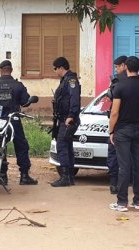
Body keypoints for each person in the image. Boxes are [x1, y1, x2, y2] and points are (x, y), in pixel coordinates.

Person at [109, 56, 139, 212]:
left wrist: (111, 130)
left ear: (126, 67)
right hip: (137, 128)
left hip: (122, 130)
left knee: (124, 166)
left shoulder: (120, 86)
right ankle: (138, 201)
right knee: (138, 164)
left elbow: (114, 112)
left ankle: (122, 203)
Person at [0, 60, 38, 185]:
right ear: (11, 70)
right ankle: (24, 176)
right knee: (21, 146)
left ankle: (2, 175)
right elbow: (26, 101)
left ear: (0, 70)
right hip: (13, 120)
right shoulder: (18, 86)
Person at [50, 57, 81, 187]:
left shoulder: (71, 80)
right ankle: (69, 176)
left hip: (68, 119)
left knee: (62, 145)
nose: (55, 71)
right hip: (62, 118)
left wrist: (71, 115)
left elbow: (74, 99)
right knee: (67, 146)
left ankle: (65, 177)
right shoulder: (65, 81)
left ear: (61, 68)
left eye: (55, 69)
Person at [106, 55, 127, 194]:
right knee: (128, 156)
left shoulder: (117, 82)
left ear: (124, 65)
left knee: (113, 154)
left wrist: (111, 130)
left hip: (118, 124)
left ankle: (114, 184)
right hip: (132, 124)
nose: (116, 69)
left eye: (118, 66)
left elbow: (111, 99)